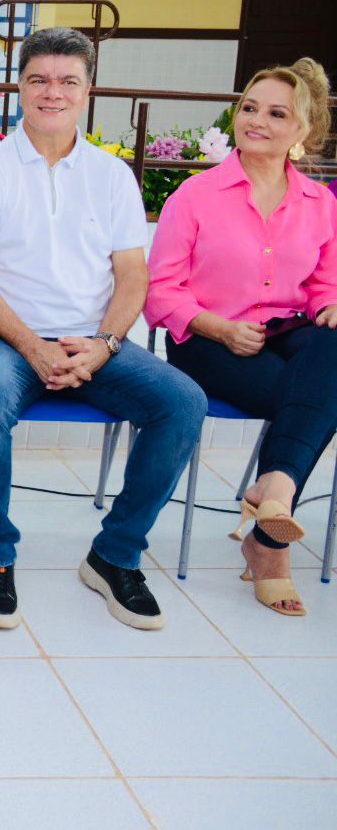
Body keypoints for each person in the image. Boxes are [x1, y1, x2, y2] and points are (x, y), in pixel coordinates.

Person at [0, 26, 206, 632]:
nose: (52, 92)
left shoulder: (111, 175)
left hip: (94, 340)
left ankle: (114, 555)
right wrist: (33, 347)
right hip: (5, 339)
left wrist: (103, 345)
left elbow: (133, 278)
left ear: (88, 90)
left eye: (67, 80)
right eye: (38, 79)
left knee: (182, 402)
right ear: (19, 86)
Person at [146, 58, 337, 616]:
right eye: (249, 107)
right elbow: (160, 293)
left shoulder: (321, 204)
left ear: (302, 132)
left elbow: (325, 285)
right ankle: (271, 541)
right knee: (319, 400)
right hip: (205, 337)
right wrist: (220, 328)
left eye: (277, 113)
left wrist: (328, 304)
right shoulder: (195, 196)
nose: (256, 120)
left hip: (289, 331)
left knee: (332, 348)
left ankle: (273, 493)